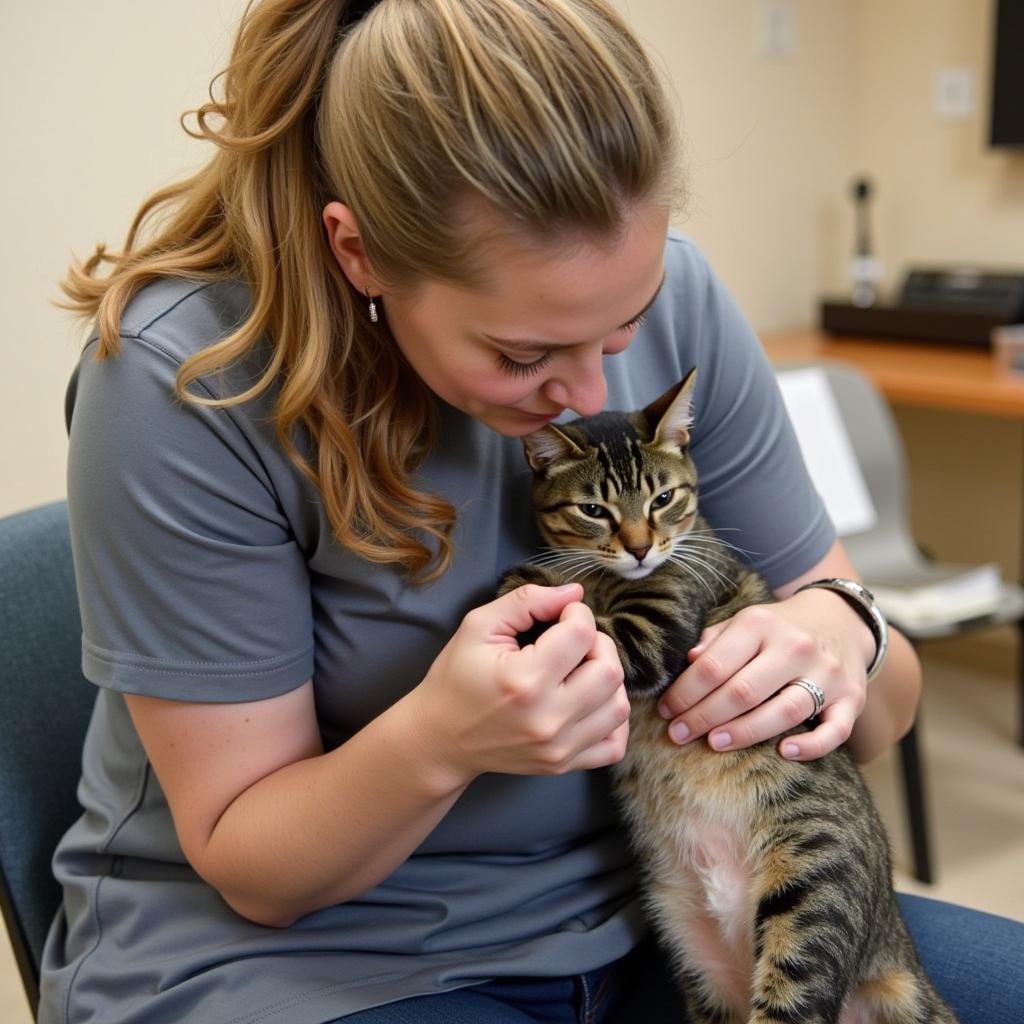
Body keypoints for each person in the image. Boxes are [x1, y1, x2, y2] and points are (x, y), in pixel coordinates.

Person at [39, 1, 1023, 1022]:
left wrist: (843, 630)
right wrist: (438, 740)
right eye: (522, 356)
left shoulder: (677, 303)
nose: (595, 393)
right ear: (360, 253)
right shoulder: (179, 380)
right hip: (301, 961)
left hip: (655, 914)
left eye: (623, 327)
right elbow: (257, 869)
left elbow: (887, 706)